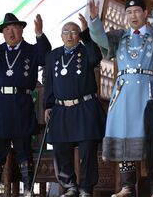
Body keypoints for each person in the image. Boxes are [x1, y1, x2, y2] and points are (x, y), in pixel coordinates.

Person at [88, 0, 153, 197]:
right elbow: (100, 39)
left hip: (148, 91)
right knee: (124, 132)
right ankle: (127, 186)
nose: (133, 15)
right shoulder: (119, 36)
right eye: (129, 12)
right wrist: (94, 21)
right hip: (124, 92)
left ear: (145, 13)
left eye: (137, 11)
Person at [0, 13, 52, 197]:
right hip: (0, 104)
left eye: (15, 28)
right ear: (3, 33)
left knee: (23, 147)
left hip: (21, 103)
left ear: (21, 30)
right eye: (7, 29)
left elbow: (45, 57)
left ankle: (27, 189)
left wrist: (40, 34)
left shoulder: (31, 50)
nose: (11, 32)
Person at [44, 18, 106, 197]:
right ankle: (70, 187)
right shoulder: (52, 56)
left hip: (85, 107)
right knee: (61, 149)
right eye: (66, 32)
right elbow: (49, 83)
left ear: (79, 36)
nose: (70, 35)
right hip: (61, 109)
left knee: (87, 150)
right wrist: (48, 105)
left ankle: (86, 188)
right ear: (61, 36)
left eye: (74, 32)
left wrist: (87, 34)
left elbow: (96, 57)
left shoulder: (86, 51)